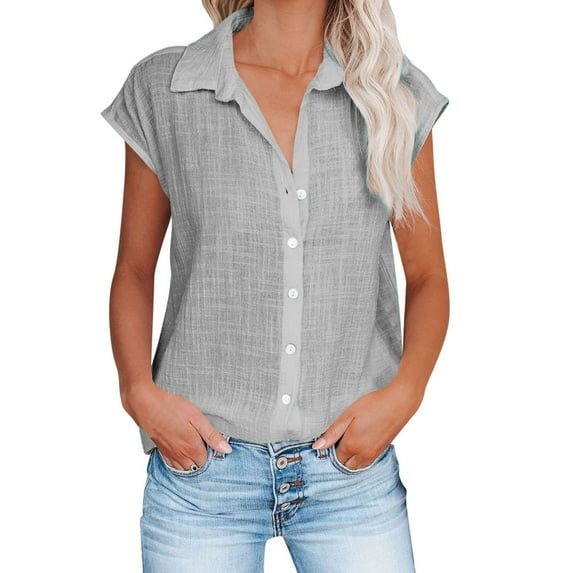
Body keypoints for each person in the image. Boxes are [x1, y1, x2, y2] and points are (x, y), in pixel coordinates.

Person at [100, 1, 449, 571]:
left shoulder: (392, 92)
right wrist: (137, 392)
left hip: (350, 473)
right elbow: (135, 269)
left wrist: (404, 395)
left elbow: (428, 276)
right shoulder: (167, 87)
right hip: (201, 474)